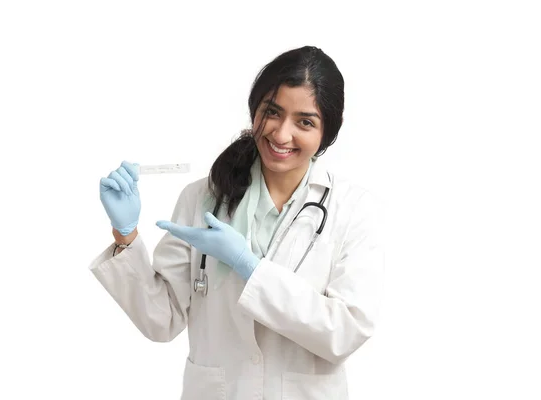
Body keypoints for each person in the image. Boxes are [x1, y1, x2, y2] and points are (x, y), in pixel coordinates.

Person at [89, 45, 384, 400]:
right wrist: (125, 234)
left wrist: (249, 267)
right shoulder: (203, 198)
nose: (281, 134)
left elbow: (345, 331)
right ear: (254, 110)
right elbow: (161, 319)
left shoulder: (351, 209)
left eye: (304, 122)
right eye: (271, 112)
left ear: (327, 134)